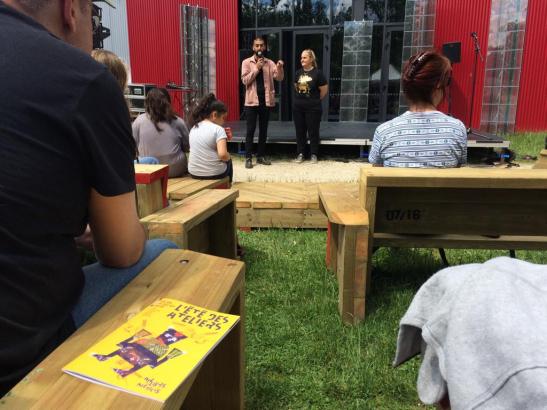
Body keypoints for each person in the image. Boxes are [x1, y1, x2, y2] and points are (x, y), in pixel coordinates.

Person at [0, 0, 177, 395]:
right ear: (71, 11)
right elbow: (121, 252)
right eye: (96, 21)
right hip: (20, 357)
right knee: (165, 250)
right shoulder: (84, 80)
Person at [368, 50, 467, 168]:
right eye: (447, 81)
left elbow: (377, 174)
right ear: (438, 84)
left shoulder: (384, 132)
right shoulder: (457, 129)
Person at [241, 36, 284, 169]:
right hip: (251, 102)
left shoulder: (270, 63)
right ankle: (248, 157)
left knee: (263, 131)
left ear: (264, 47)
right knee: (250, 130)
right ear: (253, 47)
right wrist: (257, 68)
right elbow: (245, 80)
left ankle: (260, 156)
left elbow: (279, 78)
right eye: (257, 45)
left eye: (262, 45)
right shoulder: (246, 62)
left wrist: (280, 67)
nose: (259, 48)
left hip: (265, 101)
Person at [132, 88, 190, 177]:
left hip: (149, 171)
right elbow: (187, 147)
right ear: (168, 102)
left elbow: (131, 146)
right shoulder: (178, 121)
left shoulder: (139, 121)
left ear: (147, 103)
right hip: (175, 170)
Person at [187, 94, 233, 184]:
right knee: (228, 160)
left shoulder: (194, 127)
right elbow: (223, 155)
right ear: (214, 115)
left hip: (193, 172)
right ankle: (228, 185)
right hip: (214, 174)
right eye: (223, 118)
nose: (224, 121)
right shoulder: (218, 129)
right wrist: (229, 156)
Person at [293, 49, 328, 164]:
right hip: (298, 108)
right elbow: (296, 87)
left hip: (313, 108)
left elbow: (323, 91)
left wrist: (313, 100)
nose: (302, 60)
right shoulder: (298, 73)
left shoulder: (318, 73)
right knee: (300, 131)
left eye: (305, 58)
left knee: (313, 131)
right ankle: (301, 153)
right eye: (301, 58)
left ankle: (314, 154)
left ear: (311, 59)